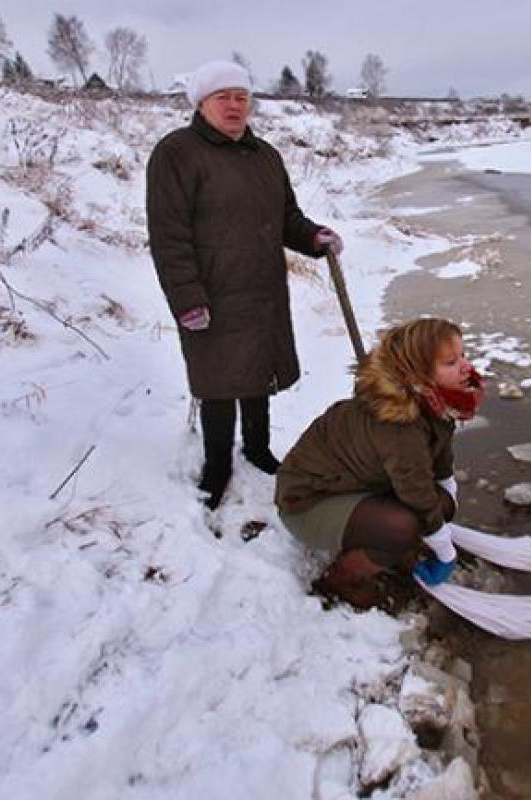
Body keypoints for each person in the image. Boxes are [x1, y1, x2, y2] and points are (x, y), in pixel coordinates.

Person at [146, 60, 343, 510]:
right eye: (223, 97)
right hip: (211, 290)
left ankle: (257, 449)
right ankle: (217, 466)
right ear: (202, 103)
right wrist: (187, 299)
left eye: (241, 97)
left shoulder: (265, 156)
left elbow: (286, 217)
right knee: (218, 379)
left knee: (259, 371)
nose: (234, 105)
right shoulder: (176, 153)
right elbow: (168, 236)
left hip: (262, 286)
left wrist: (314, 237)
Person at [275, 318, 485, 608]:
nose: (465, 366)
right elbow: (415, 488)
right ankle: (341, 580)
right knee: (402, 527)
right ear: (418, 374)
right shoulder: (399, 425)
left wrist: (447, 487)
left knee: (442, 505)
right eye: (451, 362)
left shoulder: (433, 399)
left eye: (462, 355)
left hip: (357, 485)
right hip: (310, 502)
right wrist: (444, 550)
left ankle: (391, 549)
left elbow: (438, 449)